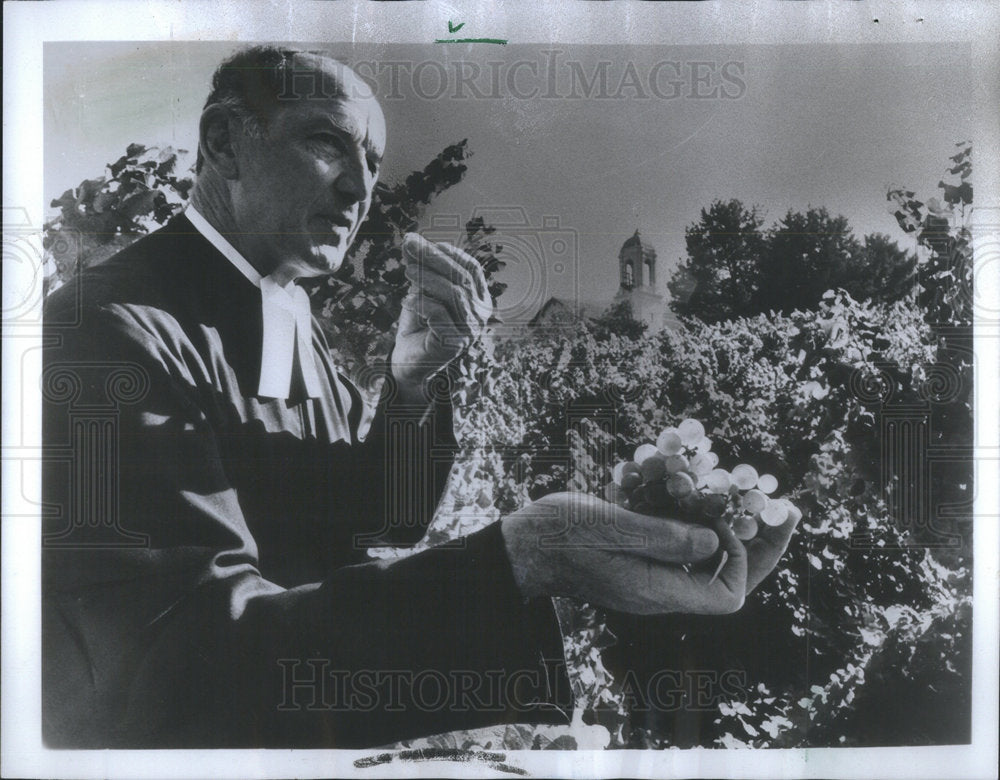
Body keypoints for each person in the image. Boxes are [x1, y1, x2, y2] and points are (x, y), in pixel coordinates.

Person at [41, 46, 798, 748]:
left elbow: (376, 517)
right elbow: (180, 669)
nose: (359, 187)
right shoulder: (106, 336)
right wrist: (525, 558)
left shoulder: (283, 313)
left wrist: (411, 384)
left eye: (371, 163)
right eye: (327, 143)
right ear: (224, 142)